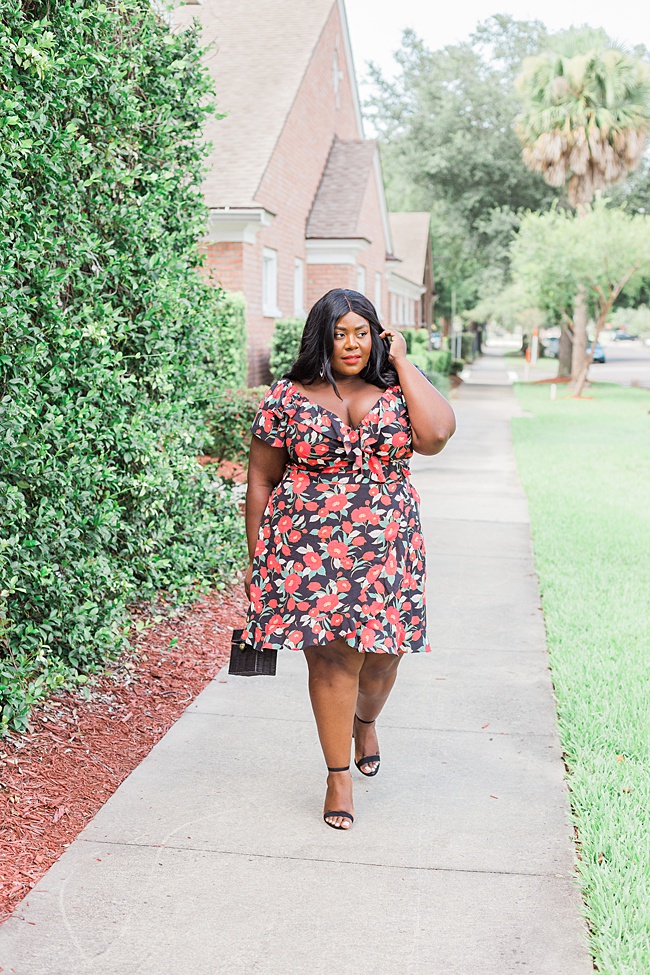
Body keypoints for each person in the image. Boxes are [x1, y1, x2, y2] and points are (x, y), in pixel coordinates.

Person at [242, 288, 456, 830]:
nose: (352, 343)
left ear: (377, 335)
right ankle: (338, 774)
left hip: (387, 548)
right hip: (307, 547)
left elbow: (435, 436)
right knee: (333, 659)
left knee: (383, 660)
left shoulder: (396, 386)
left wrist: (403, 361)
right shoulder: (287, 397)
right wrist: (257, 557)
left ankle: (365, 721)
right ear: (322, 336)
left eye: (362, 332)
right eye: (340, 333)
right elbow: (261, 480)